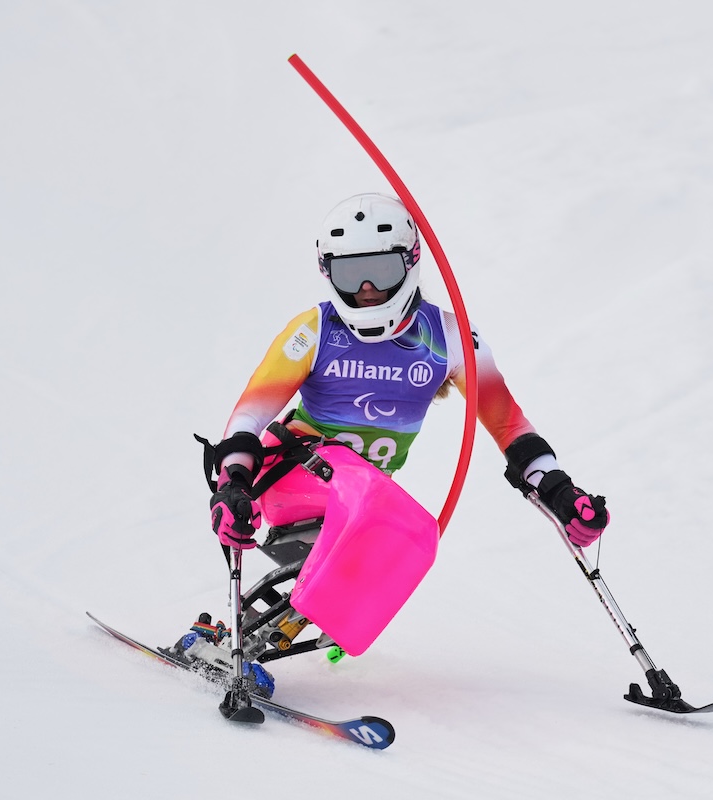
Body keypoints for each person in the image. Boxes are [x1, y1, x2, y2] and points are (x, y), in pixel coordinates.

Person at [171, 193, 609, 696]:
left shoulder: (448, 337)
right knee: (385, 522)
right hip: (290, 473)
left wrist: (556, 488)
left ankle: (239, 636)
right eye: (348, 273)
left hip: (359, 497)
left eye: (380, 270)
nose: (365, 290)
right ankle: (237, 644)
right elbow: (251, 413)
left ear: (410, 261)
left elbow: (507, 423)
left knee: (409, 543)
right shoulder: (313, 331)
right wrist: (232, 484)